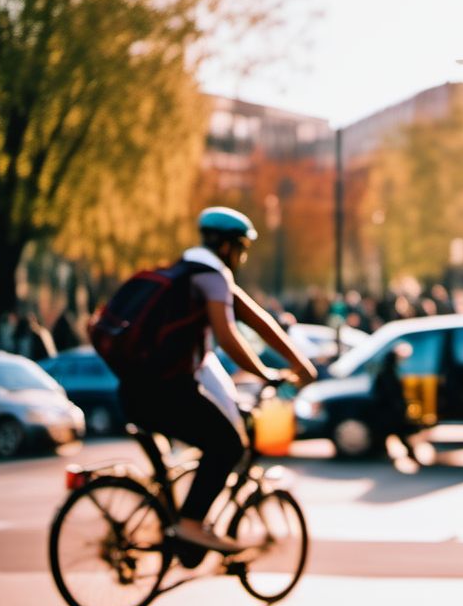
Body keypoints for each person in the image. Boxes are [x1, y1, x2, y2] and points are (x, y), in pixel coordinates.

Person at [117, 206, 317, 554]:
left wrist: (301, 363)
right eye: (242, 248)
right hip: (167, 393)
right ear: (227, 247)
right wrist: (267, 374)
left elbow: (257, 320)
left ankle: (175, 526)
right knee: (228, 444)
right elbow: (228, 337)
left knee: (209, 438)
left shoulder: (187, 273)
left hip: (134, 390)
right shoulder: (211, 278)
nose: (242, 257)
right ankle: (191, 524)